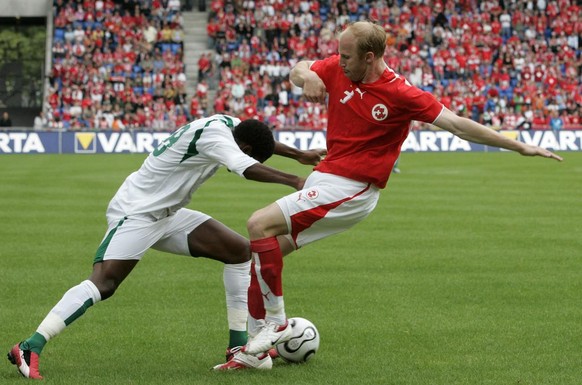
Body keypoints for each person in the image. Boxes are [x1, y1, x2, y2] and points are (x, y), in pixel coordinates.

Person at [213, 21, 563, 370]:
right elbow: (298, 69)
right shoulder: (338, 68)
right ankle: (255, 354)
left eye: (346, 55)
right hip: (326, 177)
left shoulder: (402, 94)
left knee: (258, 223)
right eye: (338, 53)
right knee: (261, 254)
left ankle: (276, 323)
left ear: (369, 57)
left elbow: (457, 125)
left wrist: (518, 146)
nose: (339, 60)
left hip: (352, 188)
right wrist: (309, 76)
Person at [7, 114, 326, 379]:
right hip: (137, 211)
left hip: (167, 212)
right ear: (242, 146)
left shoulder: (231, 124)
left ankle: (240, 350)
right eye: (246, 152)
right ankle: (30, 345)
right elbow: (246, 167)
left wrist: (297, 154)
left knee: (240, 252)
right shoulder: (218, 139)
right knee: (104, 282)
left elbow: (261, 144)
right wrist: (296, 181)